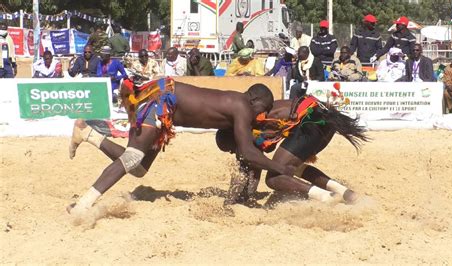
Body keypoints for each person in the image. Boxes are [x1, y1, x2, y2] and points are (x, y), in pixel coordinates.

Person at [67, 81, 294, 214]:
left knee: (139, 168)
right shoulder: (242, 106)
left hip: (166, 104)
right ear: (254, 99)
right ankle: (82, 205)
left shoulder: (238, 105)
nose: (260, 114)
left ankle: (87, 134)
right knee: (132, 159)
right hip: (164, 100)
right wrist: (281, 169)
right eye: (262, 108)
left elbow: (240, 150)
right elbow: (247, 151)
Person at [216, 93, 368, 205]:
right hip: (323, 119)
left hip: (310, 122)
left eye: (230, 149)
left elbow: (254, 164)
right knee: (292, 167)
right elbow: (258, 162)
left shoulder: (245, 126)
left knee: (273, 178)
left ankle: (326, 197)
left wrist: (234, 199)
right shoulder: (251, 124)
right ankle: (345, 193)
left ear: (233, 138)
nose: (233, 152)